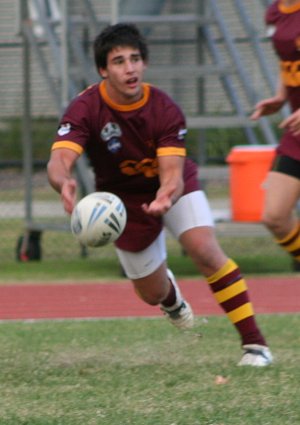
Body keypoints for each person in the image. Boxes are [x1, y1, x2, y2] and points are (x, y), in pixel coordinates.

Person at [47, 23, 272, 367]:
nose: (130, 68)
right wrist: (63, 182)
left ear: (145, 63)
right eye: (119, 61)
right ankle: (171, 299)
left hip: (172, 188)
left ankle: (255, 345)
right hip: (122, 202)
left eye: (135, 59)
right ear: (103, 70)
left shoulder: (164, 108)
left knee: (204, 250)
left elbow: (172, 173)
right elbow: (60, 159)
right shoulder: (85, 107)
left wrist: (167, 194)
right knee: (150, 294)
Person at [251, 1, 300, 265]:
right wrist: (281, 97)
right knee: (275, 215)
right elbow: (289, 62)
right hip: (296, 132)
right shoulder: (275, 12)